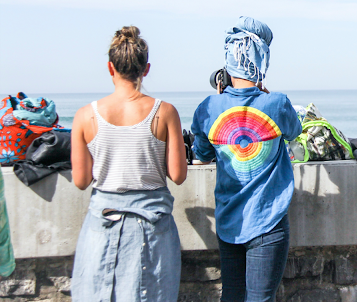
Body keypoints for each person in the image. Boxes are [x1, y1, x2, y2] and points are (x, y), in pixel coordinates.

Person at [70, 26, 187, 301]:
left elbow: (81, 180)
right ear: (145, 69)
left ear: (110, 68)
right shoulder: (165, 112)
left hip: (103, 223)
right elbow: (178, 175)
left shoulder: (85, 116)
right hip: (153, 226)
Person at [191, 16, 302, 302]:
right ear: (262, 60)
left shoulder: (208, 107)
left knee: (231, 296)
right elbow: (294, 131)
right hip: (269, 221)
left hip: (229, 222)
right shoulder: (276, 103)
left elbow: (201, 155)